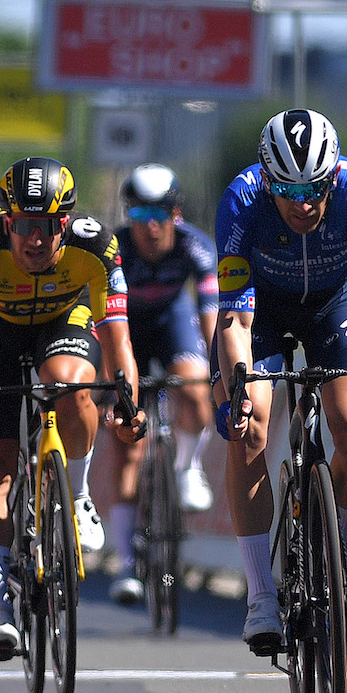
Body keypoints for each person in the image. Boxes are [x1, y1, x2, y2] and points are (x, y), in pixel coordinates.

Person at [216, 109, 347, 653]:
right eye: (286, 189)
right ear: (266, 178)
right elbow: (234, 319)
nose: (302, 203)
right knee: (250, 425)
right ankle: (260, 594)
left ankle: (346, 550)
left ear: (332, 177)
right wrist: (237, 384)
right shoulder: (241, 199)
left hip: (337, 303)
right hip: (263, 307)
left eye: (313, 189)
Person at [0, 156, 140, 660]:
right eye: (22, 227)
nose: (34, 240)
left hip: (63, 324)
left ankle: (77, 496)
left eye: (46, 228)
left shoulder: (97, 245)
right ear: (6, 222)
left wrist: (128, 403)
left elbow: (118, 339)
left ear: (66, 223)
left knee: (69, 384)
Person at [107, 163, 218, 606]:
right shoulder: (112, 249)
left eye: (161, 214)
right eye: (138, 215)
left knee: (193, 387)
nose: (150, 226)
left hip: (174, 324)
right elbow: (101, 323)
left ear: (177, 214)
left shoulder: (197, 246)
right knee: (127, 440)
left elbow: (212, 318)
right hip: (123, 330)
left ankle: (187, 467)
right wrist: (104, 386)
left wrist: (220, 371)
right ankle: (126, 563)